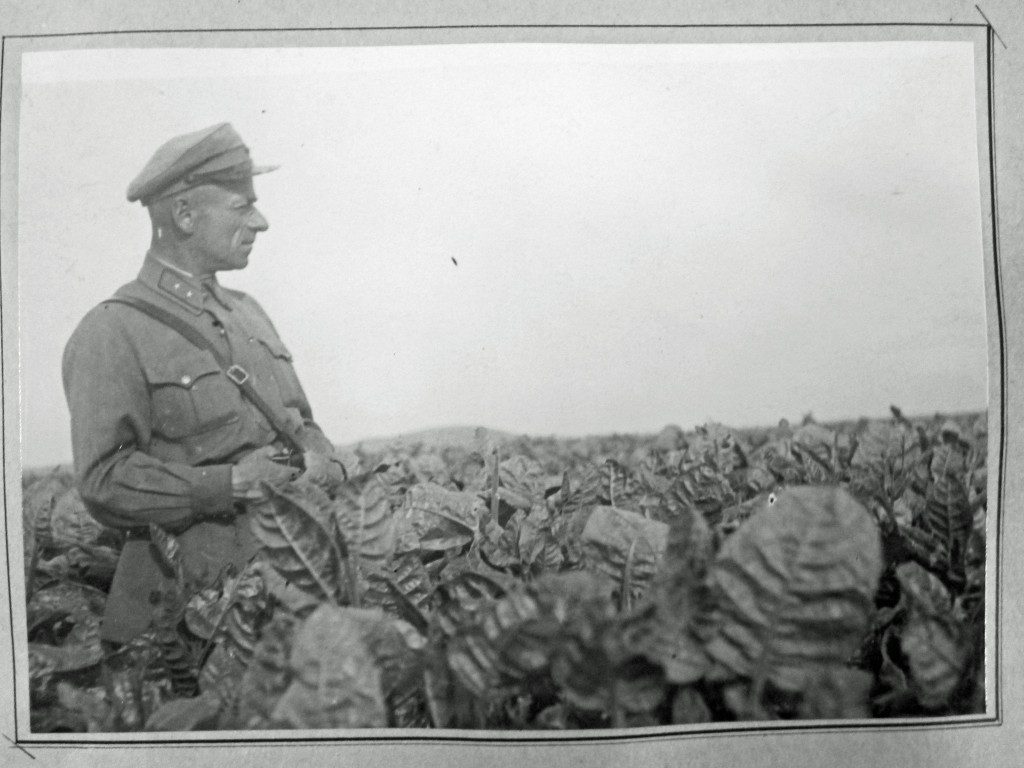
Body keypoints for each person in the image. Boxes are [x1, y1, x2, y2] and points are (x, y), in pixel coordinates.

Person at [62, 123, 343, 644]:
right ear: (185, 215)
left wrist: (321, 457)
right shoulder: (113, 330)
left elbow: (301, 421)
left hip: (289, 607)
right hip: (185, 624)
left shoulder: (250, 313)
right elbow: (102, 480)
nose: (261, 222)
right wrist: (230, 484)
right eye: (241, 207)